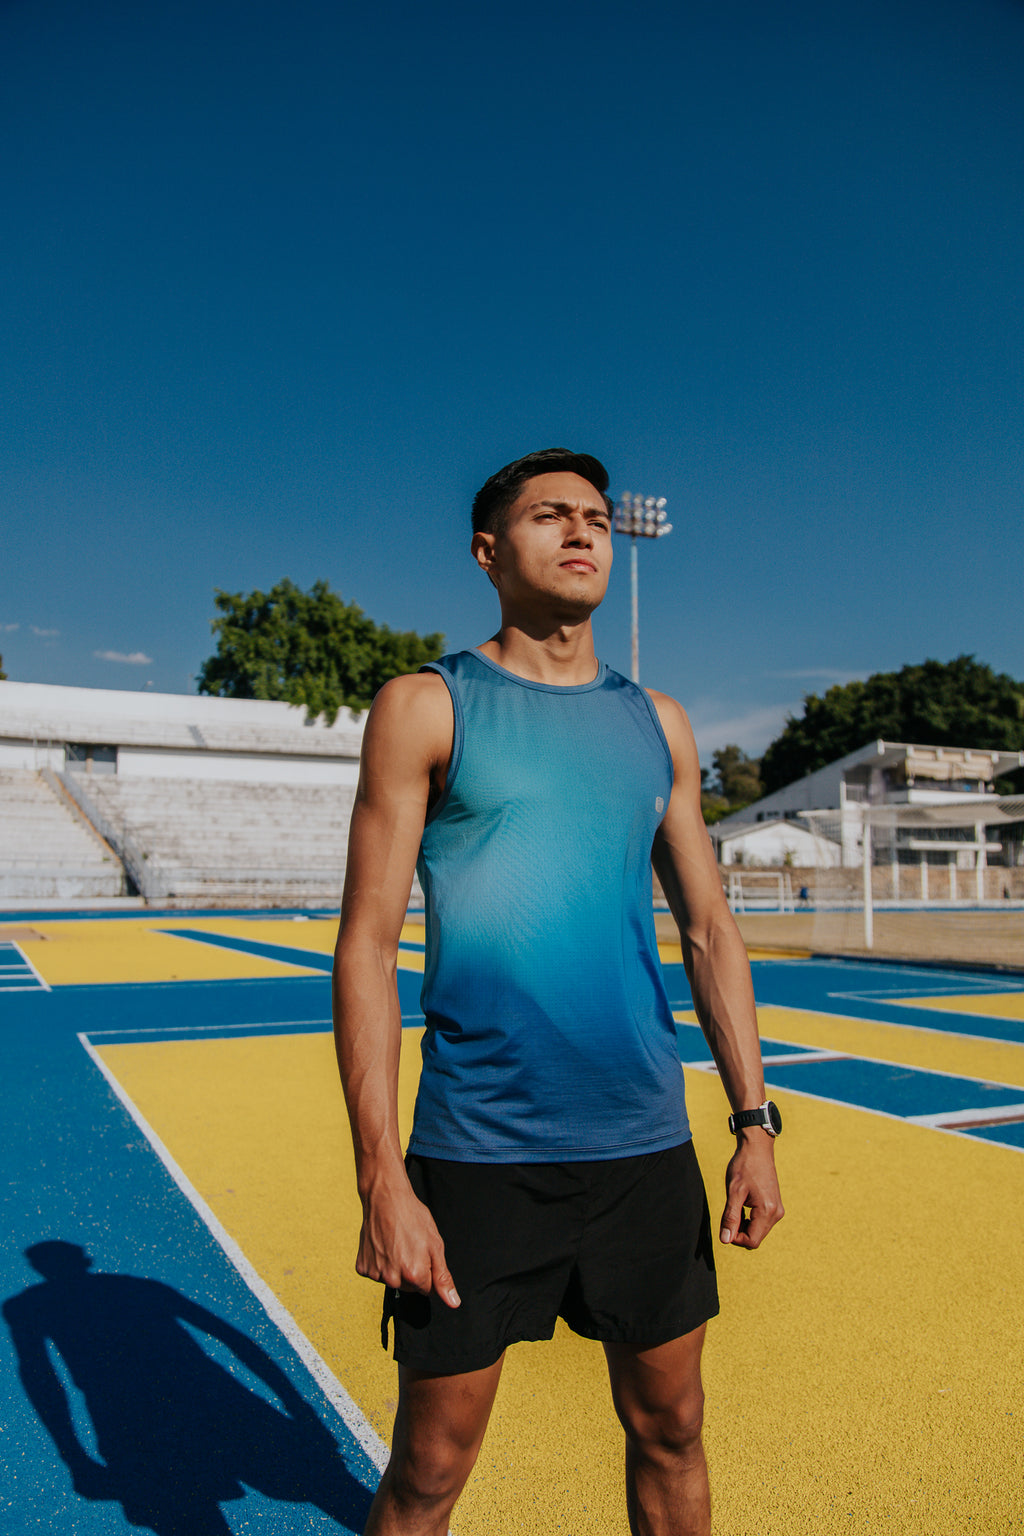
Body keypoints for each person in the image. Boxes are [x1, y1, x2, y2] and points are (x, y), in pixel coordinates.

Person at [332, 447, 784, 1536]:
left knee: (672, 1427)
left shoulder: (657, 722)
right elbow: (364, 946)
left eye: (596, 517)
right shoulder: (425, 706)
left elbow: (711, 928)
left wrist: (754, 1123)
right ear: (489, 551)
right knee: (431, 1469)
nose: (584, 533)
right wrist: (381, 1179)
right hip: (480, 1156)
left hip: (642, 1148)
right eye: (550, 516)